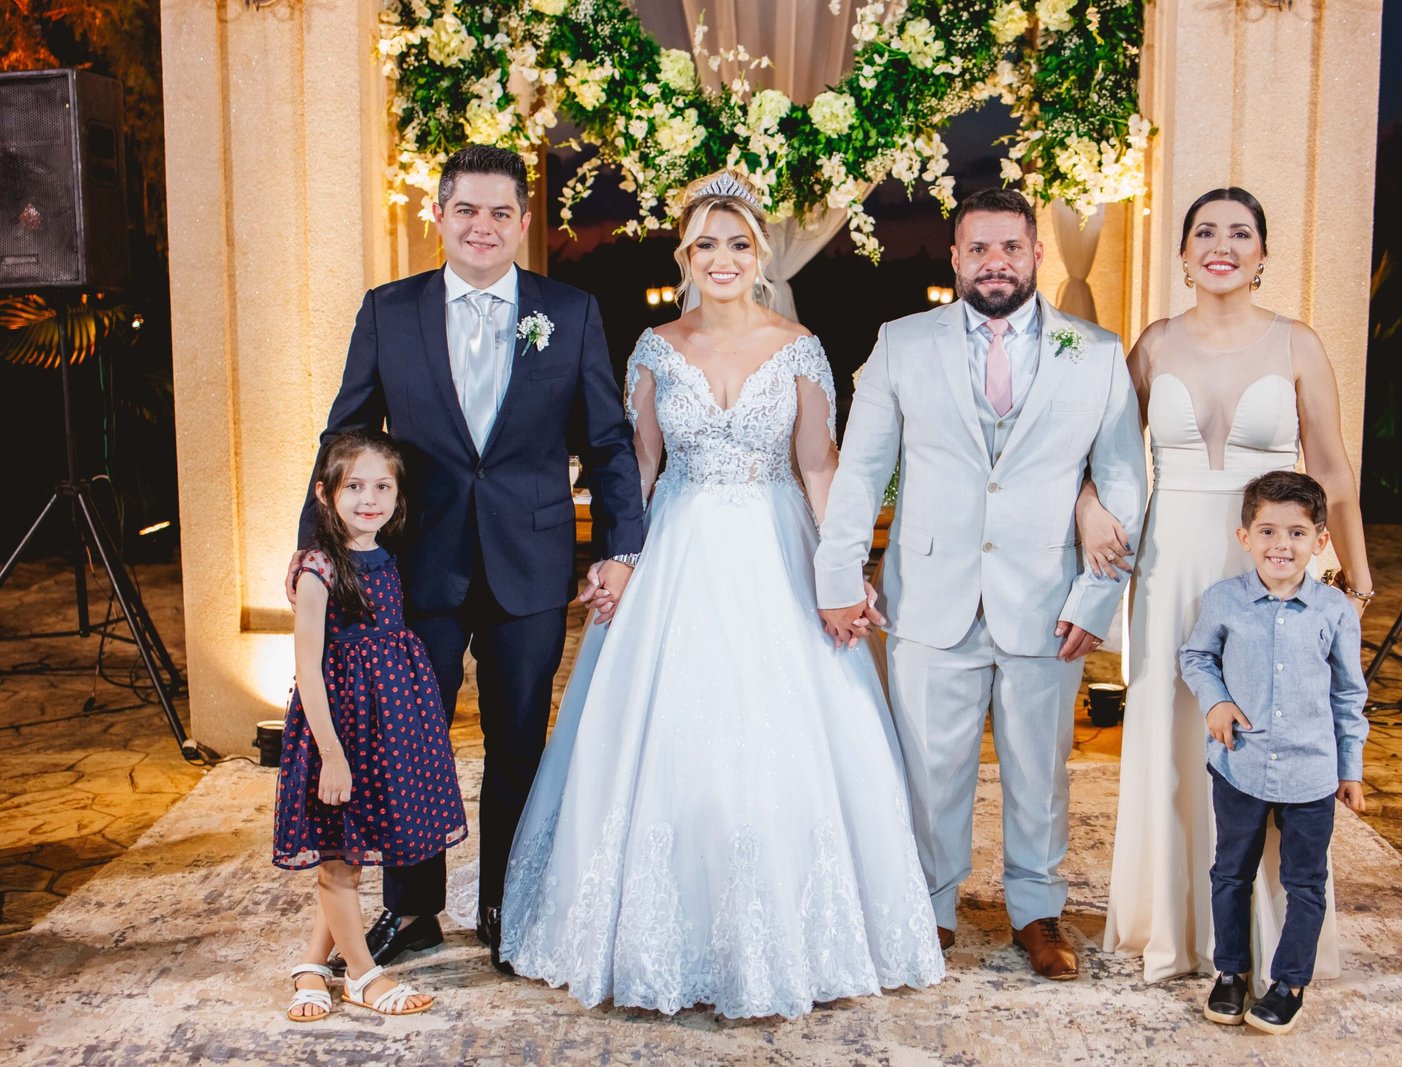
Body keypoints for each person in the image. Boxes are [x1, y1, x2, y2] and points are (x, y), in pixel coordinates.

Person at [484, 171, 944, 1019]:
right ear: (686, 254)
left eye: (737, 243)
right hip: (678, 548)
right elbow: (639, 464)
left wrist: (842, 571)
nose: (721, 258)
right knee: (662, 733)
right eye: (706, 244)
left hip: (777, 549)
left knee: (785, 735)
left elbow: (818, 465)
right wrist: (619, 557)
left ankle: (794, 933)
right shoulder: (655, 347)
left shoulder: (799, 346)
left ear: (758, 254)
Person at [289, 145, 645, 974]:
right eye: (466, 210)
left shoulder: (571, 310)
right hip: (418, 565)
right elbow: (344, 434)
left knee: (518, 738)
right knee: (408, 741)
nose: (482, 226)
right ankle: (413, 909)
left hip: (530, 561)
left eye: (499, 213)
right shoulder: (389, 310)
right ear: (439, 217)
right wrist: (316, 553)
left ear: (523, 223)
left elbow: (607, 441)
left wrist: (620, 548)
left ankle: (506, 905)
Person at [814, 187, 1148, 979]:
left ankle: (1037, 910)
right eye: (979, 248)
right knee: (930, 771)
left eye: (1011, 247)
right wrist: (839, 574)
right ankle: (929, 908)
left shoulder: (1096, 352)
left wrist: (1097, 597)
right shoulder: (902, 343)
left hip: (1048, 599)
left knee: (1041, 770)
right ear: (956, 258)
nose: (996, 262)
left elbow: (1123, 483)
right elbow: (860, 470)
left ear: (1037, 254)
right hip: (932, 593)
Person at [1088, 187, 1376, 988]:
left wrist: (1357, 578)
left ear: (1262, 254)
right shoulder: (1153, 344)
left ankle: (1264, 934)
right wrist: (1089, 508)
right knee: (1173, 731)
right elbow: (1107, 455)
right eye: (1206, 232)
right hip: (1172, 562)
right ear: (1183, 254)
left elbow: (1333, 472)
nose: (1222, 245)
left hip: (1272, 562)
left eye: (1240, 233)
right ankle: (1173, 922)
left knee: (1272, 733)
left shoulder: (1297, 343)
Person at [275, 429, 467, 1021]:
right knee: (338, 862)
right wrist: (332, 756)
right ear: (324, 493)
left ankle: (312, 965)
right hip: (339, 732)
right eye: (354, 486)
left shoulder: (386, 554)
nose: (369, 499)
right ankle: (363, 976)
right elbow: (308, 669)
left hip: (384, 728)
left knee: (350, 852)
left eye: (382, 487)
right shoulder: (318, 570)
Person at [1179, 470, 1368, 1034]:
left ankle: (1290, 982)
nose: (1280, 545)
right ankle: (1231, 973)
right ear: (1245, 537)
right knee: (1230, 872)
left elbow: (1349, 695)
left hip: (1312, 774)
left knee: (1306, 882)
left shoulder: (1336, 611)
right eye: (1267, 531)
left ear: (1320, 541)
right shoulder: (1224, 600)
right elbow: (1196, 657)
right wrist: (1215, 702)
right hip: (1240, 765)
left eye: (1297, 533)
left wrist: (1351, 769)